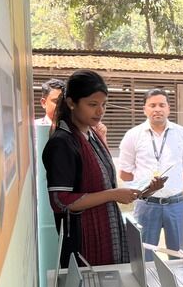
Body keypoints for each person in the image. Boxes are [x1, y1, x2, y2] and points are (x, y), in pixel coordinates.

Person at [42, 70, 164, 268]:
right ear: (72, 103)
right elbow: (60, 201)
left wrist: (144, 190)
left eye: (103, 104)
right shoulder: (62, 143)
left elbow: (104, 185)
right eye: (92, 105)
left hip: (107, 233)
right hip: (83, 245)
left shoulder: (92, 135)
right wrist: (112, 195)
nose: (100, 111)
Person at [119, 88, 183, 258]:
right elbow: (125, 173)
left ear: (168, 108)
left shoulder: (181, 134)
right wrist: (144, 189)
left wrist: (170, 187)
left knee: (178, 256)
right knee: (144, 256)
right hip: (146, 205)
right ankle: (147, 285)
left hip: (175, 204)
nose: (157, 109)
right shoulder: (133, 135)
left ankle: (176, 284)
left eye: (162, 105)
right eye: (152, 105)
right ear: (144, 109)